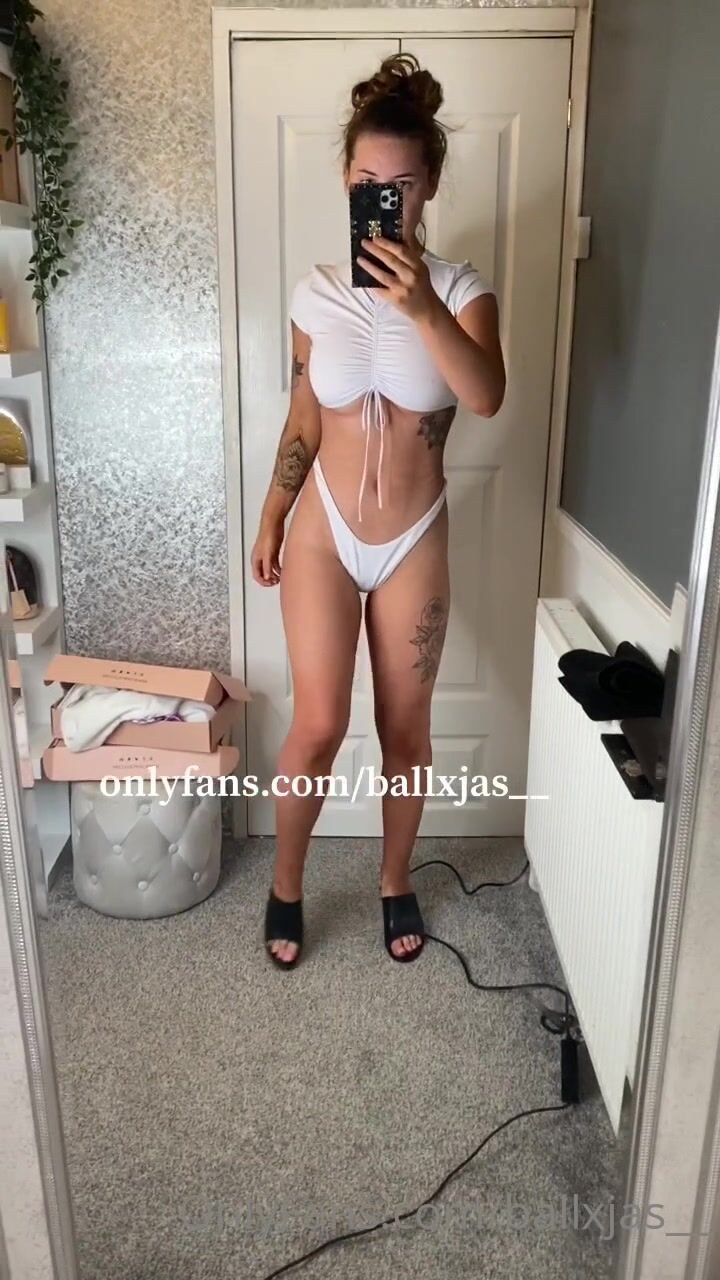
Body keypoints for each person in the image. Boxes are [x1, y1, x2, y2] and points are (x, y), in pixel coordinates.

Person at [251, 52, 506, 970]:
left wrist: (423, 306)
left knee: (405, 731)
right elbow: (303, 415)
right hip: (323, 529)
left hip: (411, 537)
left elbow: (486, 396)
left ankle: (396, 878)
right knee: (318, 724)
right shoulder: (314, 295)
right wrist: (273, 513)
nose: (383, 200)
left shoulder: (463, 292)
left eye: (400, 186)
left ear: (428, 184)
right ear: (346, 179)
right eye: (368, 183)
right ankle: (286, 886)